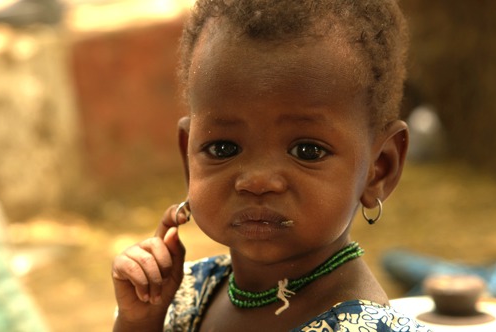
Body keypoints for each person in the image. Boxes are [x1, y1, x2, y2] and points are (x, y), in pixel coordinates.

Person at [112, 0, 431, 331]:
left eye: (307, 150)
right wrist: (142, 319)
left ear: (379, 168)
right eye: (223, 148)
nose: (257, 180)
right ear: (188, 157)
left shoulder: (363, 328)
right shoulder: (188, 293)